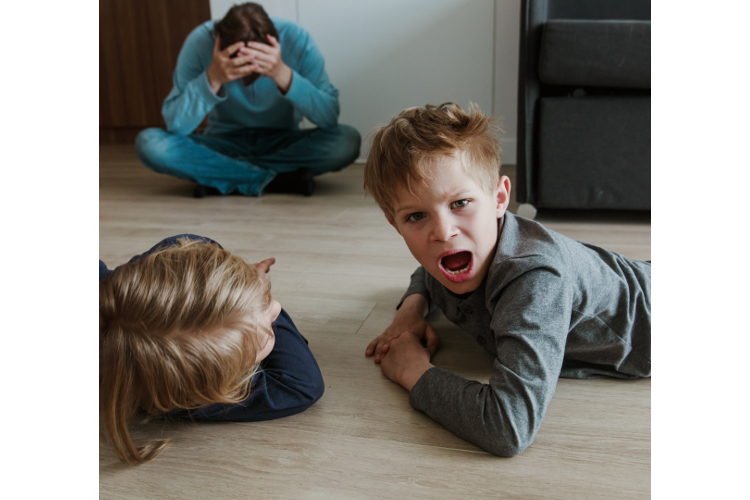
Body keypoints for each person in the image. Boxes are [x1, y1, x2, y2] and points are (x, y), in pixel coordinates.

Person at [363, 102, 651, 457]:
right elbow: (426, 273)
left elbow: (508, 426)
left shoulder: (534, 281)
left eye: (460, 203)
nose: (443, 232)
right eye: (416, 216)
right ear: (396, 225)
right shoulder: (454, 255)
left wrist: (414, 370)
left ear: (499, 199)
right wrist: (411, 309)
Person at [99, 235, 324, 463]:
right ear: (211, 392)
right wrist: (257, 300)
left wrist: (248, 292)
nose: (277, 308)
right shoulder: (183, 393)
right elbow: (301, 384)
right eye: (269, 330)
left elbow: (188, 243)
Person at [135, 2, 361, 198]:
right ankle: (279, 179)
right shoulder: (199, 42)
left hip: (283, 140)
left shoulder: (297, 38)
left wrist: (282, 74)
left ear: (275, 41)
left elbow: (329, 117)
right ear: (218, 42)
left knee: (347, 140)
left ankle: (225, 177)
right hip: (224, 142)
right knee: (150, 144)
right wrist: (212, 78)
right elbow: (176, 125)